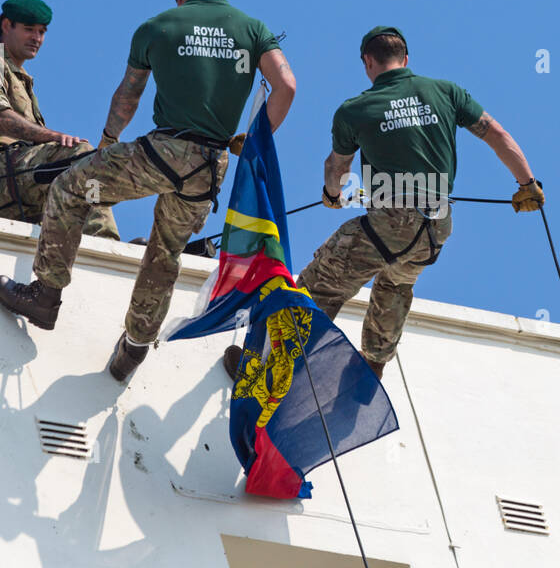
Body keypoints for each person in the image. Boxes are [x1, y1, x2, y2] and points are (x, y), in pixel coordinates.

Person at [0, 0, 297, 381]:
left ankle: (45, 295)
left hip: (162, 153)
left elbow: (129, 94)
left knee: (70, 187)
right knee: (164, 252)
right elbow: (287, 86)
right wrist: (255, 138)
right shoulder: (253, 28)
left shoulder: (157, 27)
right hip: (209, 169)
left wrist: (107, 141)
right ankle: (134, 346)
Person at [223, 25, 543, 382]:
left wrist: (332, 195)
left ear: (368, 62)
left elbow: (337, 166)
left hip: (390, 222)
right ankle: (371, 371)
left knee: (320, 284)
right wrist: (527, 184)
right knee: (395, 284)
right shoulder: (446, 92)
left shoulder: (356, 109)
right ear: (405, 59)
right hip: (436, 226)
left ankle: (268, 370)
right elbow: (497, 135)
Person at [0, 0, 120, 240]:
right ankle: (105, 245)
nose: (37, 38)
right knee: (80, 156)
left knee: (106, 172)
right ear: (6, 25)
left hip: (21, 177)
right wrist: (53, 137)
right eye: (29, 29)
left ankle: (81, 250)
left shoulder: (19, 75)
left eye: (42, 31)